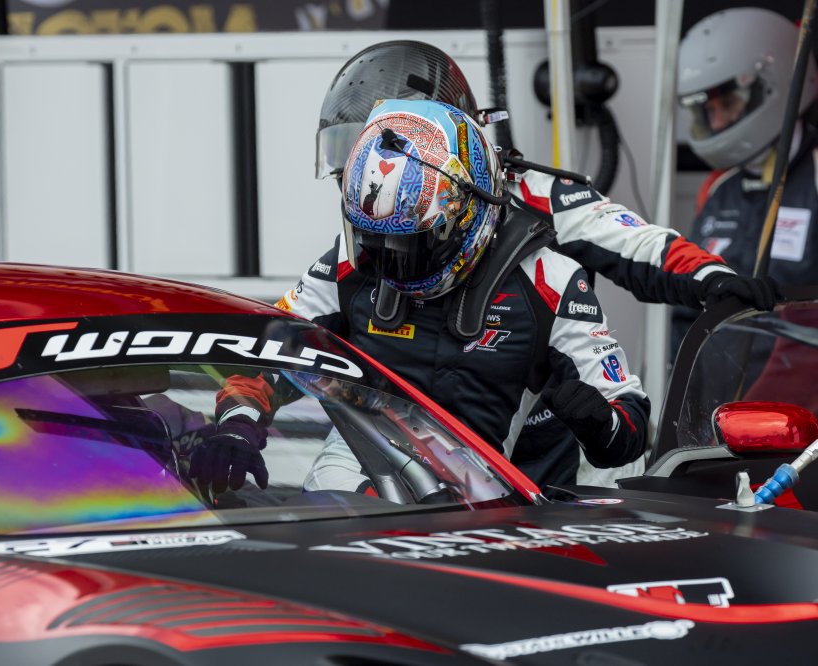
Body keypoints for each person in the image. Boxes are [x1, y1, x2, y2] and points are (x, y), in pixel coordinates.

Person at [309, 40, 777, 489]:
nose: (376, 166)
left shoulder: (537, 198)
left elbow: (641, 243)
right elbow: (292, 328)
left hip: (552, 434)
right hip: (434, 447)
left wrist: (711, 277)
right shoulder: (369, 224)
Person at [189, 99, 650, 495]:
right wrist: (238, 424)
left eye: (410, 244)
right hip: (356, 471)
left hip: (478, 492)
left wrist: (598, 423)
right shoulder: (350, 263)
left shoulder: (550, 280)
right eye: (376, 241)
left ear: (466, 214)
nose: (390, 261)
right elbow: (265, 353)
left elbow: (628, 421)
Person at [672, 7, 817, 348]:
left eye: (729, 103)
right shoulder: (717, 189)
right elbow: (687, 304)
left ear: (773, 84)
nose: (717, 122)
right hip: (718, 380)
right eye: (708, 110)